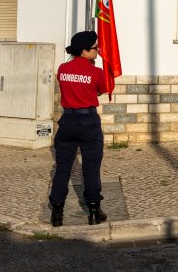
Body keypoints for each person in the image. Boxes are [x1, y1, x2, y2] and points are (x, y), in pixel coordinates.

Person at [48, 31, 108, 227]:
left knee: (62, 169)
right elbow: (101, 89)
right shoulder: (96, 72)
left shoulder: (62, 68)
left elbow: (68, 85)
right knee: (91, 168)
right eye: (95, 48)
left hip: (67, 121)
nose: (97, 50)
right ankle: (94, 212)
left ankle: (57, 214)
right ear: (84, 51)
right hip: (88, 122)